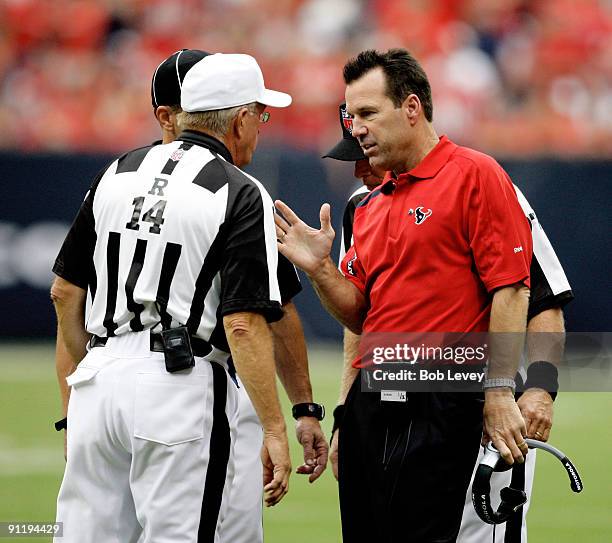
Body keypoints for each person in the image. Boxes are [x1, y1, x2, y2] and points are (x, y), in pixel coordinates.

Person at [54, 48, 328, 543]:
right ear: (240, 120)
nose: (263, 127)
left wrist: (76, 399)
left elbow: (63, 292)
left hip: (96, 382)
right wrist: (273, 427)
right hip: (178, 385)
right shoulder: (241, 191)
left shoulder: (117, 170)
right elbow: (244, 323)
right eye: (261, 115)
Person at [275, 48, 533, 542]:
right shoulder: (371, 203)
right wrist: (320, 270)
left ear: (411, 108)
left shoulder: (475, 174)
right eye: (351, 117)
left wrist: (501, 389)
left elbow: (513, 290)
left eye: (368, 114)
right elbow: (360, 316)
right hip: (375, 397)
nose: (356, 129)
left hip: (442, 395)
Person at [324, 103, 574, 542]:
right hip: (390, 409)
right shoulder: (360, 207)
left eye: (365, 155)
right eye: (354, 157)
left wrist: (539, 388)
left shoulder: (481, 183)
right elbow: (362, 325)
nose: (361, 168)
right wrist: (347, 414)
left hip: (478, 410)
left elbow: (543, 298)